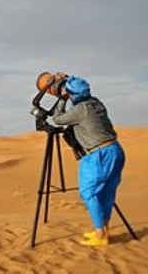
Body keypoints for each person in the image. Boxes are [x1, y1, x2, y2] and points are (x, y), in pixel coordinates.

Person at [53, 75, 125, 246]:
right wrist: (69, 83)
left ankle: (100, 235)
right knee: (107, 192)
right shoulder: (96, 102)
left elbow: (57, 119)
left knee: (89, 192)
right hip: (115, 150)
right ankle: (104, 231)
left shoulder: (81, 110)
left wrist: (61, 99)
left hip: (99, 155)